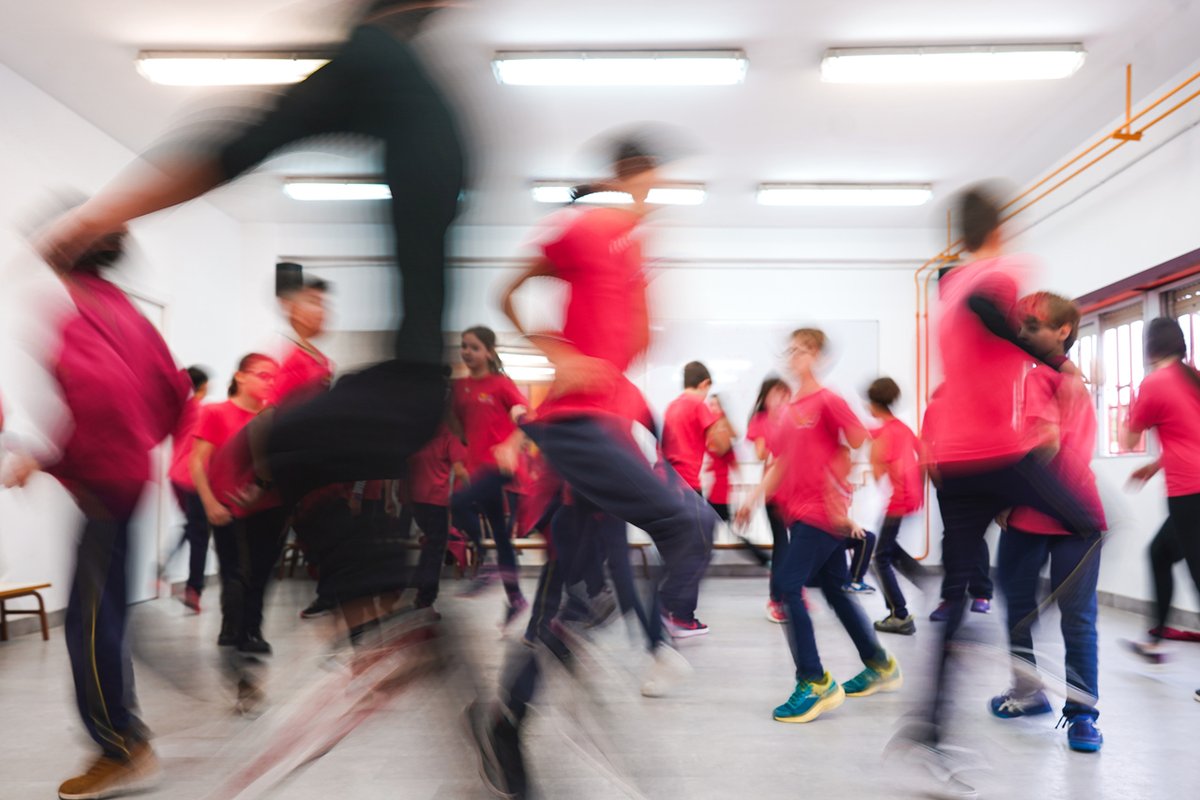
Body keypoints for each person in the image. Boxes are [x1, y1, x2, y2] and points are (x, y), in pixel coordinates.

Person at [36, 0, 466, 507]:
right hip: (417, 385)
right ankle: (359, 578)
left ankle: (355, 574)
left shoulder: (379, 57)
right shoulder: (424, 90)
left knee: (262, 450)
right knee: (284, 459)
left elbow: (233, 147)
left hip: (407, 385)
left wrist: (94, 220)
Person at [469, 135, 717, 798]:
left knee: (561, 602)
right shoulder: (585, 227)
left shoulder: (635, 249)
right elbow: (510, 290)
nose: (650, 196)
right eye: (646, 181)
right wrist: (554, 350)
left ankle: (503, 723)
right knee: (688, 522)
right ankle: (658, 636)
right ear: (624, 177)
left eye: (657, 185)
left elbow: (635, 341)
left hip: (598, 437)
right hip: (576, 429)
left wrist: (643, 299)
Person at [910, 184, 1104, 798]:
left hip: (969, 470)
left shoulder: (947, 290)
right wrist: (1048, 358)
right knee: (1091, 525)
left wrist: (1035, 357)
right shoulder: (998, 276)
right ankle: (1030, 671)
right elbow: (996, 317)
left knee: (967, 601)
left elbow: (988, 328)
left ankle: (929, 734)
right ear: (1001, 226)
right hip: (999, 465)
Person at [4, 229, 189, 800]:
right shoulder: (127, 313)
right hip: (123, 482)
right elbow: (174, 394)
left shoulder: (77, 315)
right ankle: (125, 739)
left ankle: (122, 748)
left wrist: (57, 462)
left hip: (105, 488)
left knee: (88, 627)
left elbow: (101, 397)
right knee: (102, 617)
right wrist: (135, 450)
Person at [737, 328, 900, 724]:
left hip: (822, 514)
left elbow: (862, 441)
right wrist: (755, 496)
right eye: (791, 349)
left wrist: (840, 487)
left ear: (820, 357)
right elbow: (784, 463)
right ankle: (879, 665)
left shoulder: (828, 400)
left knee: (788, 587)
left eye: (804, 350)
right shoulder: (790, 410)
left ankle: (813, 682)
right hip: (800, 512)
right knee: (834, 589)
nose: (795, 356)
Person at [990, 292, 1106, 752]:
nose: (1022, 333)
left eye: (1033, 326)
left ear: (1063, 331)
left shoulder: (1043, 379)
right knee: (1025, 611)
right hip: (1037, 516)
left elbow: (1045, 444)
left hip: (1072, 517)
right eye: (1021, 326)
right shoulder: (1055, 378)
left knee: (1069, 619)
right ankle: (1037, 695)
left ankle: (1079, 714)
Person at [1122, 317, 1200, 701]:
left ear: (1148, 348)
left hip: (1191, 492)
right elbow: (1189, 436)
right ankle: (1155, 643)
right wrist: (1155, 467)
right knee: (1159, 553)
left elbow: (1128, 437)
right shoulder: (1193, 378)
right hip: (1192, 487)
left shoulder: (1154, 383)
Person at [190, 354, 278, 651]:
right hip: (227, 507)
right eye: (262, 375)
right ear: (240, 376)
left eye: (273, 377)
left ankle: (250, 629)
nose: (269, 382)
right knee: (234, 571)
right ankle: (233, 628)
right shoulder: (216, 413)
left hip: (266, 508)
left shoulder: (271, 418)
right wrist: (209, 502)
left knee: (260, 572)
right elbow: (198, 463)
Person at [450, 325, 530, 625]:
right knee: (499, 532)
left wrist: (511, 444)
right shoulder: (460, 388)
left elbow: (526, 417)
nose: (467, 352)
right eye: (464, 346)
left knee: (457, 504)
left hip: (501, 468)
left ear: (489, 352)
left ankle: (487, 562)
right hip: (477, 469)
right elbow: (460, 428)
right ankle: (516, 599)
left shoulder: (501, 384)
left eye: (473, 347)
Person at [865, 377, 927, 635]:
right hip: (910, 498)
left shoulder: (883, 434)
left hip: (898, 501)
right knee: (889, 550)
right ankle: (927, 582)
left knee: (880, 558)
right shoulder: (901, 427)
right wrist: (918, 488)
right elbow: (923, 455)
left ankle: (899, 614)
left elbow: (879, 470)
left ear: (873, 403)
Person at [163, 365, 210, 613]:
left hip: (175, 476)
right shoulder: (203, 411)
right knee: (200, 534)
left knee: (193, 526)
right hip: (193, 478)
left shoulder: (178, 411)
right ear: (203, 386)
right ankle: (194, 590)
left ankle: (167, 563)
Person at [408, 420, 468, 612]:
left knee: (429, 545)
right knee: (435, 551)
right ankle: (426, 598)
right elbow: (459, 470)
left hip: (417, 501)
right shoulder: (448, 436)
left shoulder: (418, 434)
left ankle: (416, 585)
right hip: (436, 501)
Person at [747, 377, 792, 623]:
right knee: (783, 547)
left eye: (785, 395)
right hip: (774, 494)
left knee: (800, 547)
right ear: (766, 397)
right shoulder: (760, 421)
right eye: (776, 394)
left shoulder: (794, 417)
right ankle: (775, 600)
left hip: (798, 493)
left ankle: (794, 593)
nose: (782, 399)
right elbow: (761, 453)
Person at [662, 361, 732, 499]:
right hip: (688, 483)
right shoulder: (699, 405)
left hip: (667, 481)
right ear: (704, 384)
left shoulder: (671, 407)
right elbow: (722, 447)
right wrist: (721, 421)